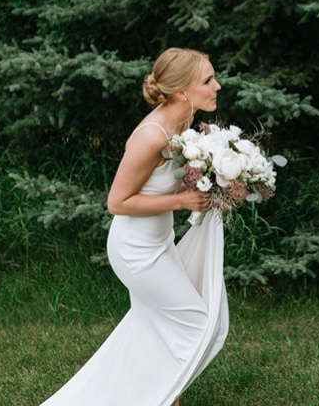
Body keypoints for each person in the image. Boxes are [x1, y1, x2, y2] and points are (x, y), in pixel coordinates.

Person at [43, 48, 226, 406]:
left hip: (160, 243)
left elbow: (162, 181)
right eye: (207, 80)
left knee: (156, 332)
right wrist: (182, 201)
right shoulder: (151, 136)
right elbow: (117, 203)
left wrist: (211, 180)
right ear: (182, 91)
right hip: (136, 251)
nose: (217, 85)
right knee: (196, 325)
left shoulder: (182, 124)